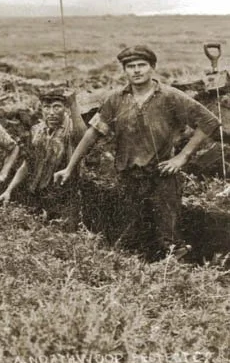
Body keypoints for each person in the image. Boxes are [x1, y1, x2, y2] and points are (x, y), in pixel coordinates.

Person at [54, 46, 219, 260]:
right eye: (131, 66)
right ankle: (140, 275)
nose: (137, 70)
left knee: (168, 238)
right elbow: (93, 133)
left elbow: (209, 122)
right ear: (125, 70)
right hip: (128, 178)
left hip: (162, 177)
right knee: (131, 238)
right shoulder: (115, 99)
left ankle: (178, 274)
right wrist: (69, 167)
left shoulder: (170, 96)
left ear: (152, 67)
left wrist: (182, 157)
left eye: (142, 65)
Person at [0, 89, 87, 226]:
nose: (51, 112)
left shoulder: (72, 128)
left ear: (66, 109)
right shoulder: (36, 130)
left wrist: (73, 104)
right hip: (38, 194)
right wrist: (8, 190)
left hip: (65, 197)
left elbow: (83, 137)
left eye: (57, 107)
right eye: (47, 107)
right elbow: (27, 164)